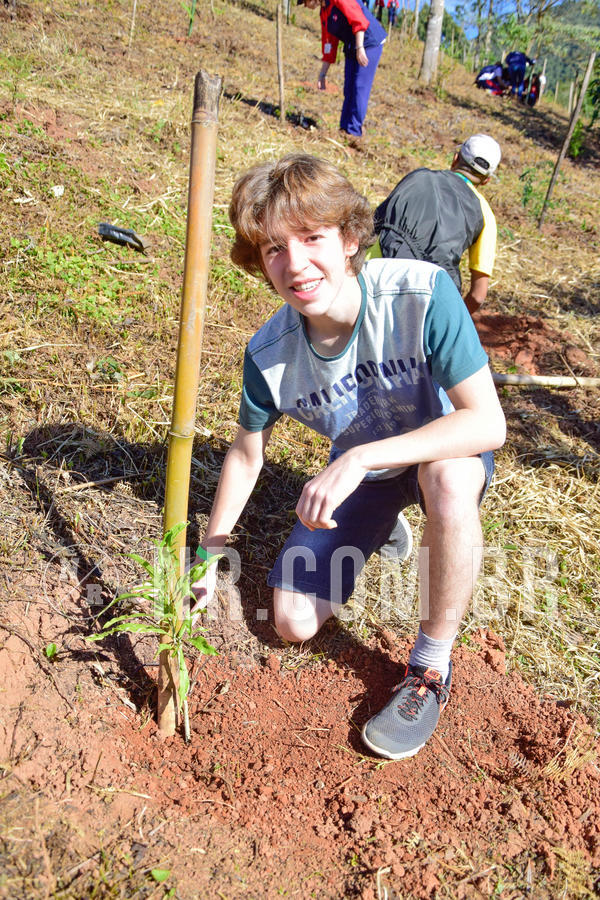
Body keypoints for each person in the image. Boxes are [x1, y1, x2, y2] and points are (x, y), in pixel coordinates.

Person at [191, 153, 506, 761]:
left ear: (351, 238)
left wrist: (358, 459)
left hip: (446, 450)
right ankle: (382, 524)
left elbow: (487, 423)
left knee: (445, 478)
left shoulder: (420, 293)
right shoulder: (269, 356)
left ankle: (430, 670)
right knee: (293, 621)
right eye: (274, 248)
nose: (295, 264)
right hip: (371, 475)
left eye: (312, 238)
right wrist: (210, 552)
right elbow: (247, 454)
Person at [368, 134, 501, 314]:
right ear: (486, 180)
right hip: (426, 302)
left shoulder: (418, 177)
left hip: (376, 279)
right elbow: (478, 295)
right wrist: (452, 321)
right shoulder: (485, 213)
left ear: (455, 159)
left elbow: (371, 228)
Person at [299, 0, 387, 139]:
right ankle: (344, 129)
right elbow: (329, 43)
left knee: (359, 87)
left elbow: (358, 19)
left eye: (304, 2)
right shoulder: (324, 12)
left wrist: (360, 48)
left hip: (368, 42)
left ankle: (354, 133)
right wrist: (322, 74)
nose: (305, 6)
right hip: (352, 44)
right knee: (349, 88)